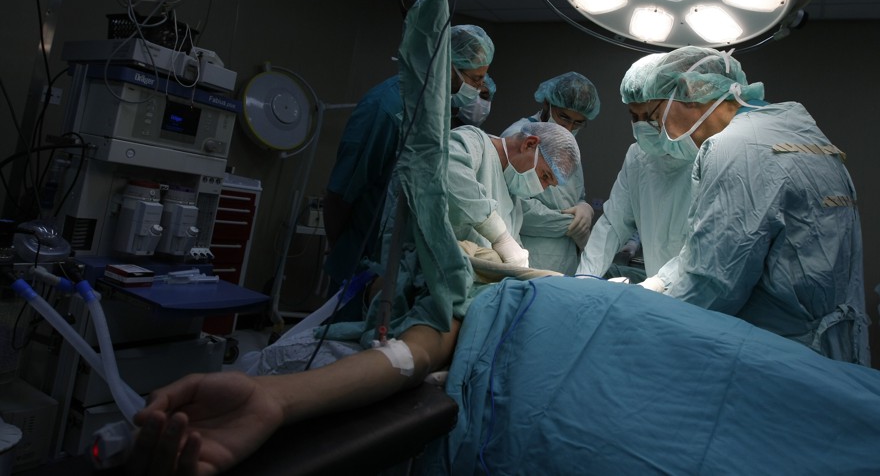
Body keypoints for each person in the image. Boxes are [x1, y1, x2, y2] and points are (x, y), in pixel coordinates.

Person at [128, 122, 580, 474]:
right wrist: (503, 244)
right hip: (426, 291)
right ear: (529, 144)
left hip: (459, 299)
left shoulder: (513, 195)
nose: (538, 187)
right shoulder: (469, 145)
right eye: (542, 175)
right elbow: (444, 179)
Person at [626, 46, 869, 365]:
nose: (662, 134)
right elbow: (719, 243)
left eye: (657, 116)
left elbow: (714, 283)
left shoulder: (735, 147)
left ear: (687, 91)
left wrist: (638, 318)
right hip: (837, 346)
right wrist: (659, 283)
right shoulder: (798, 130)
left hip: (787, 357)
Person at [322, 24, 495, 309]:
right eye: (476, 79)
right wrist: (341, 248)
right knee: (341, 341)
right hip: (363, 258)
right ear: (447, 66)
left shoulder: (437, 110)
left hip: (397, 259)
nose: (478, 89)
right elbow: (340, 194)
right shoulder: (386, 109)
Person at [576, 53, 695, 283]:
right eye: (633, 116)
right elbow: (613, 223)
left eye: (650, 117)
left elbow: (706, 246)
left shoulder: (708, 156)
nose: (641, 126)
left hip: (698, 295)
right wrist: (585, 278)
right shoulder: (638, 157)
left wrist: (658, 286)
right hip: (657, 288)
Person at [500, 72, 600, 275]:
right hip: (530, 256)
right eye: (564, 117)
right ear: (547, 104)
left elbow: (573, 195)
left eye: (578, 123)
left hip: (565, 260)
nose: (569, 127)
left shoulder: (565, 142)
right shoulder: (519, 136)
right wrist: (571, 225)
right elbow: (516, 207)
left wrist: (583, 206)